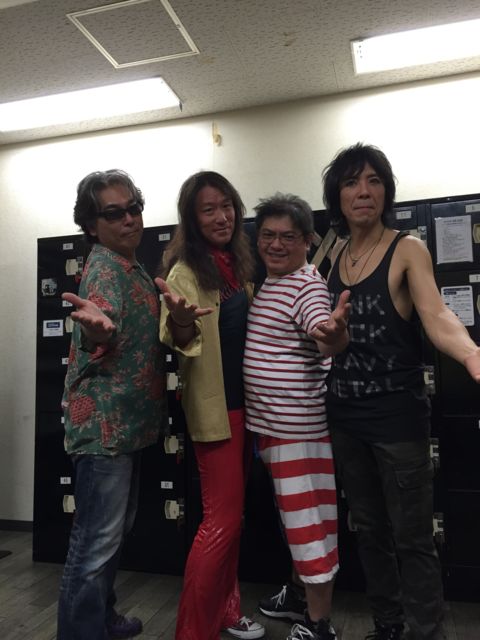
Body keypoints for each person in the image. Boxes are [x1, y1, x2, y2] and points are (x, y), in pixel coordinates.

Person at [322, 143, 480, 640]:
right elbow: (323, 336)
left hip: (397, 421)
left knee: (412, 538)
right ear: (337, 195)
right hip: (346, 418)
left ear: (386, 191)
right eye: (351, 182)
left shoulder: (406, 248)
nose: (363, 191)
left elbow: (436, 314)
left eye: (373, 180)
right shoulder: (333, 256)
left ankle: (426, 632)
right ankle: (388, 626)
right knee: (369, 531)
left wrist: (471, 353)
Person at [57, 169, 167, 640]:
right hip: (104, 430)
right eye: (114, 213)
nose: (129, 219)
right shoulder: (104, 268)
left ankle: (101, 616)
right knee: (95, 543)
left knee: (111, 535)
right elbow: (98, 323)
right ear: (91, 225)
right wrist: (97, 331)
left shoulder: (130, 264)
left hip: (128, 424)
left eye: (134, 209)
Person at [156, 170, 265, 640]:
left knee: (233, 520)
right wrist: (181, 322)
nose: (222, 217)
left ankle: (227, 612)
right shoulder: (185, 272)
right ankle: (192, 631)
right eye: (209, 209)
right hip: (218, 414)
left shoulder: (236, 265)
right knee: (219, 523)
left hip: (249, 410)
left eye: (227, 206)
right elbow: (180, 337)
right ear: (192, 218)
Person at [243, 193, 351, 640]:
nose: (276, 244)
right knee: (295, 522)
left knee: (310, 527)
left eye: (288, 237)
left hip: (297, 433)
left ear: (308, 240)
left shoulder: (307, 286)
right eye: (268, 235)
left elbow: (323, 333)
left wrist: (333, 336)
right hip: (274, 431)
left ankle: (319, 624)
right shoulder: (273, 282)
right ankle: (297, 597)